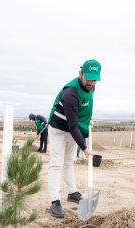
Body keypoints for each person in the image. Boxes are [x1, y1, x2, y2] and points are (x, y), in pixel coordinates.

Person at [46, 59, 100, 218]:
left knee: (69, 162)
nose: (91, 82)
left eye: (94, 79)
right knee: (56, 164)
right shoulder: (70, 93)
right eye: (88, 78)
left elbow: (84, 107)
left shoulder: (91, 87)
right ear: (80, 73)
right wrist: (84, 148)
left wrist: (87, 120)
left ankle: (72, 193)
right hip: (59, 129)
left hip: (72, 129)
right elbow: (72, 125)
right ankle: (55, 201)